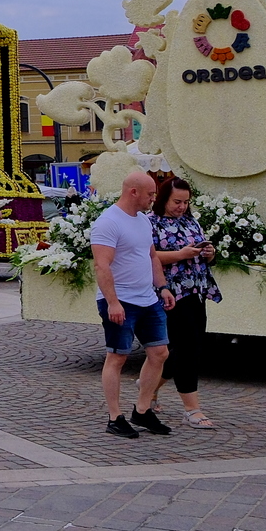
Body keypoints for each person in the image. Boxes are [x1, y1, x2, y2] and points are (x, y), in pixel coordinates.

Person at [91, 171, 178, 438]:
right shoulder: (108, 222)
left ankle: (142, 410)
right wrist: (113, 302)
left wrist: (162, 287)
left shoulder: (143, 220)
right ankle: (114, 417)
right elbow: (101, 265)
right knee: (117, 357)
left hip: (147, 298)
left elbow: (151, 256)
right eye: (150, 194)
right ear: (133, 192)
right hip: (120, 300)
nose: (153, 199)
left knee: (160, 353)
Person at [144, 176, 220, 429]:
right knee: (186, 348)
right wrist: (180, 254)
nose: (182, 207)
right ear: (164, 199)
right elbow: (148, 257)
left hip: (196, 291)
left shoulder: (190, 221)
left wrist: (208, 253)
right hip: (169, 293)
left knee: (184, 348)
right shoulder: (150, 223)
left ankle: (149, 387)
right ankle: (191, 409)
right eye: (177, 201)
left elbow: (203, 255)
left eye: (186, 202)